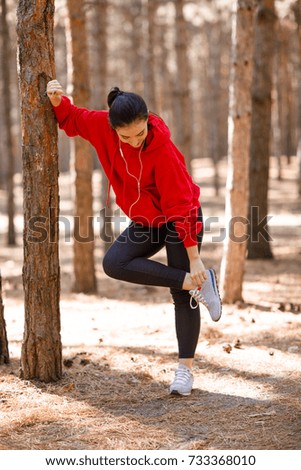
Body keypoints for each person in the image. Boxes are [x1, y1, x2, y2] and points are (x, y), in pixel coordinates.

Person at [46, 79, 222, 396]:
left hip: (181, 217)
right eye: (125, 137)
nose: (133, 142)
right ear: (113, 128)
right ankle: (198, 282)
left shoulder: (162, 148)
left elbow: (179, 205)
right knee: (115, 262)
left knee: (181, 299)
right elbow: (72, 119)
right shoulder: (102, 126)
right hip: (148, 220)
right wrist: (58, 100)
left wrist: (194, 258)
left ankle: (185, 371)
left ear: (147, 121)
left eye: (140, 134)